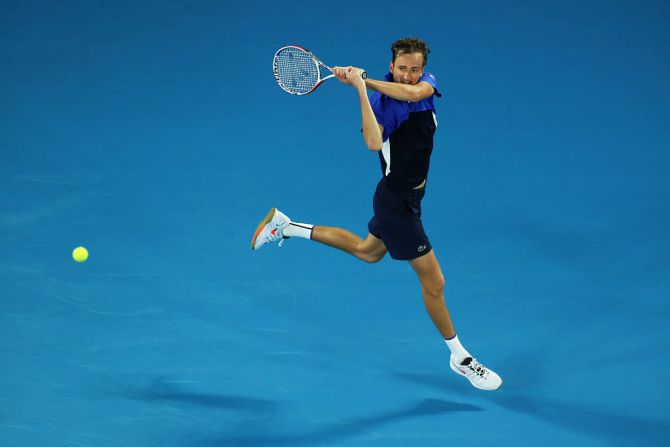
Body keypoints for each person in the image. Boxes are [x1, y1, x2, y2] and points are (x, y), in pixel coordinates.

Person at [251, 38, 502, 391]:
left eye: (415, 69)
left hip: (410, 198)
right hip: (396, 204)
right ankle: (460, 358)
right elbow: (372, 142)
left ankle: (286, 226)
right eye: (403, 68)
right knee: (435, 282)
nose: (410, 75)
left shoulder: (424, 85)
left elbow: (414, 95)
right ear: (392, 65)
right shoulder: (382, 104)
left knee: (367, 252)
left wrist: (362, 79)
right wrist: (360, 91)